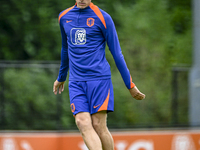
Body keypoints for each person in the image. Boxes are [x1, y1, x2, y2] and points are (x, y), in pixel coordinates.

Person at [53, 0, 145, 150]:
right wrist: (61, 77)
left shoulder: (103, 18)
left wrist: (130, 85)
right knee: (82, 122)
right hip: (76, 81)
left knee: (98, 125)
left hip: (99, 80)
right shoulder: (63, 17)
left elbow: (117, 54)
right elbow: (65, 49)